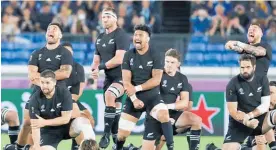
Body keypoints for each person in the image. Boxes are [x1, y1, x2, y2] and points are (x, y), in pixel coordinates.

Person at [11, 22, 73, 150]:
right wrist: (46, 82)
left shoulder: (65, 53)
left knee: (70, 119)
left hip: (58, 93)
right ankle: (20, 146)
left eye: (54, 29)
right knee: (28, 121)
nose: (50, 30)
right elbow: (32, 75)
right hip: (37, 92)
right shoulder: (36, 53)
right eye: (48, 29)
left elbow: (66, 73)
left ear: (60, 35)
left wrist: (44, 77)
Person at [124, 49, 202, 150]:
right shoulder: (156, 75)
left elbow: (184, 103)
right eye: (167, 61)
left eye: (172, 62)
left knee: (196, 120)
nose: (169, 65)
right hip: (155, 116)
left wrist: (167, 107)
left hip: (172, 116)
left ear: (178, 64)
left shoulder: (182, 78)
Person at [116, 24, 174, 150]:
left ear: (148, 38)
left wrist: (136, 89)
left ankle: (171, 147)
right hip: (134, 99)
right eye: (135, 35)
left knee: (164, 115)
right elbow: (126, 82)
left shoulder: (156, 54)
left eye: (140, 35)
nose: (136, 37)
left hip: (152, 98)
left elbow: (156, 80)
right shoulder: (128, 55)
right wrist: (134, 99)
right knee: (121, 135)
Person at [225, 23, 273, 150]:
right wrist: (231, 46)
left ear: (262, 34)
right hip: (245, 91)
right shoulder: (235, 82)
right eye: (249, 30)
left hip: (259, 89)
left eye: (255, 29)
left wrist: (236, 42)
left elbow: (257, 51)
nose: (251, 31)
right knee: (254, 138)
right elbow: (242, 50)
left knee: (263, 119)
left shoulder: (265, 46)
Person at [90, 7, 130, 149]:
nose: (104, 19)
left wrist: (100, 67)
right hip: (108, 78)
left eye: (108, 16)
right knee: (114, 109)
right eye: (103, 17)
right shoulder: (100, 37)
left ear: (115, 18)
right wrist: (94, 71)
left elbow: (119, 59)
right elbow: (96, 60)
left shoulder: (121, 35)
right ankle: (118, 144)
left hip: (123, 76)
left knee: (109, 95)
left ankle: (105, 134)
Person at [27, 70, 96, 150]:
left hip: (67, 128)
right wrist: (36, 146)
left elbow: (65, 119)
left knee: (84, 122)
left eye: (47, 83)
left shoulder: (64, 93)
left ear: (54, 82)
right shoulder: (34, 99)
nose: (44, 86)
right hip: (48, 132)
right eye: (42, 82)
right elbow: (35, 126)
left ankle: (91, 148)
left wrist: (45, 122)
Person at [223, 54, 276, 150]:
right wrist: (247, 122)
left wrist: (250, 116)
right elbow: (233, 112)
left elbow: (265, 105)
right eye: (242, 67)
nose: (245, 70)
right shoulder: (232, 84)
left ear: (254, 67)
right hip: (239, 124)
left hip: (260, 120)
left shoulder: (262, 79)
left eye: (248, 67)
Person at [62, 42, 95, 150]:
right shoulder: (55, 68)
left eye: (69, 52)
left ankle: (76, 145)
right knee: (77, 117)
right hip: (57, 101)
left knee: (90, 119)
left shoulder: (78, 68)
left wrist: (71, 103)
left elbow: (79, 91)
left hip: (72, 100)